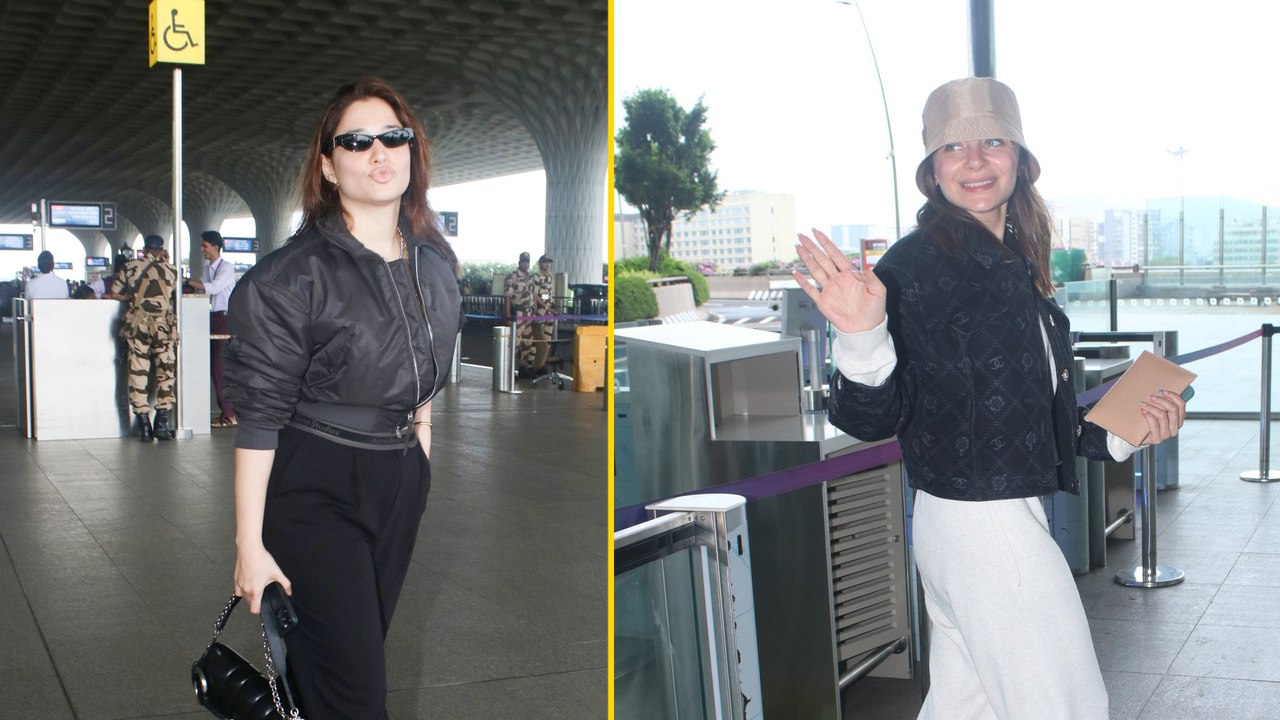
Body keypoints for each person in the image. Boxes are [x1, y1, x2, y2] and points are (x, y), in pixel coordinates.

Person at [794, 77, 1187, 720]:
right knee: (1067, 707)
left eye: (993, 140)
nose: (974, 160)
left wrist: (1128, 427)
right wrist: (861, 336)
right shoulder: (914, 268)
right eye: (953, 147)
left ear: (1020, 159)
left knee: (965, 707)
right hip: (987, 529)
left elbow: (1030, 408)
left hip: (970, 525)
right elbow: (872, 418)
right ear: (932, 169)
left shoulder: (1012, 260)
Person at [222, 76, 462, 718]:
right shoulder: (290, 276)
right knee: (356, 692)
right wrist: (250, 546)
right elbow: (259, 419)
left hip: (399, 476)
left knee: (339, 674)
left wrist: (423, 443)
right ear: (328, 165)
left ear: (413, 152)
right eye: (356, 141)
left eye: (394, 136)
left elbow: (426, 368)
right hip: (316, 485)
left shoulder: (434, 263)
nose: (379, 152)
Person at [111, 234, 179, 442]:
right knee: (165, 373)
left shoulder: (130, 267)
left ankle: (144, 427)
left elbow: (114, 293)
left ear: (144, 249)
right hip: (163, 326)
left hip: (137, 325)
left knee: (138, 372)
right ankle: (162, 423)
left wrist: (131, 297)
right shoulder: (172, 270)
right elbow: (171, 294)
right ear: (162, 250)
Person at [185, 230, 237, 427]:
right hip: (212, 317)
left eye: (205, 246)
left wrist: (189, 282)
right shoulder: (208, 269)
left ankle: (230, 413)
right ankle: (226, 411)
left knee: (219, 366)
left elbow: (213, 288)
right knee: (215, 367)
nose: (202, 249)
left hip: (224, 318)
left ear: (215, 247)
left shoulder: (227, 267)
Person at [502, 250, 539, 376]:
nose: (525, 264)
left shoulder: (529, 278)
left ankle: (524, 368)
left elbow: (532, 296)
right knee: (514, 343)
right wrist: (507, 315)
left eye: (527, 262)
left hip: (528, 315)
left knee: (527, 343)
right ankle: (510, 370)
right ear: (519, 262)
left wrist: (534, 311)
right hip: (517, 314)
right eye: (523, 261)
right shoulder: (512, 276)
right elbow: (507, 297)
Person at [529, 254, 557, 372]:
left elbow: (549, 295)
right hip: (540, 312)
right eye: (545, 262)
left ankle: (542, 364)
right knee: (537, 340)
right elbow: (534, 295)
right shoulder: (536, 277)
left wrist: (550, 307)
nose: (547, 264)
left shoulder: (549, 277)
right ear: (540, 263)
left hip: (548, 312)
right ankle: (531, 365)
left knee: (547, 339)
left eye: (549, 262)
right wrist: (545, 307)